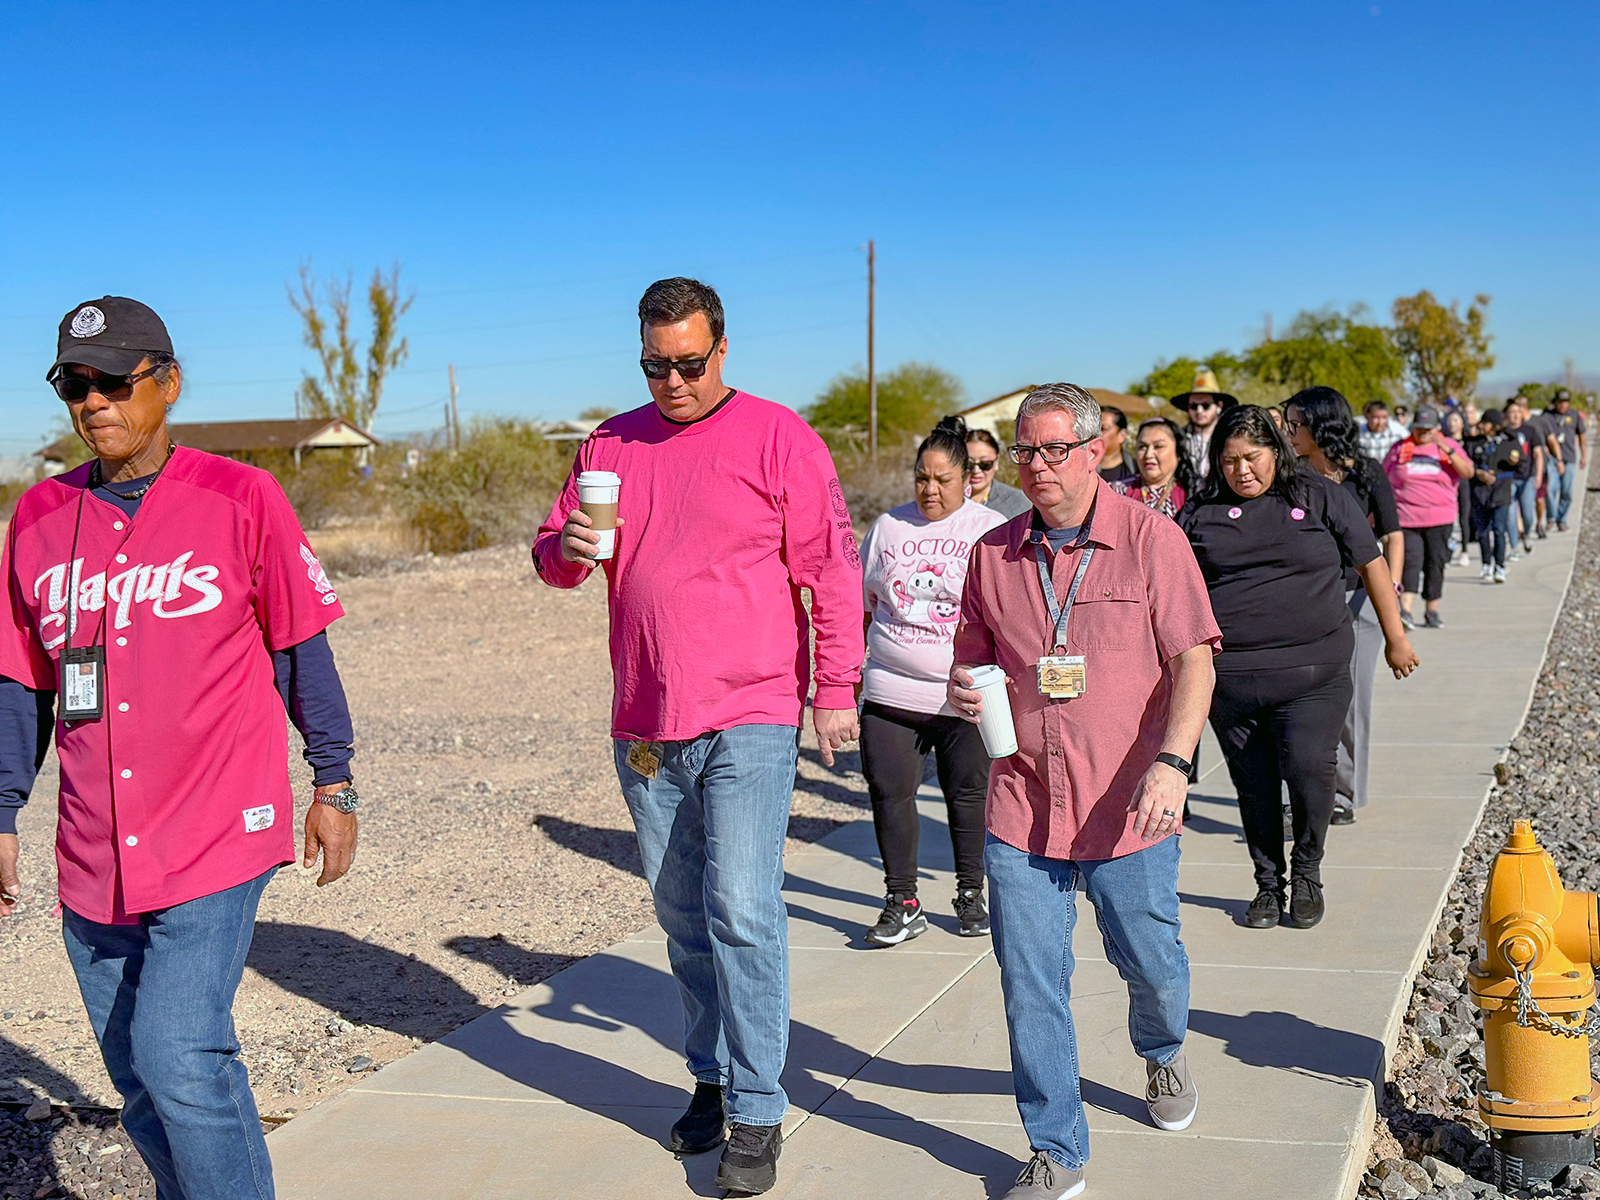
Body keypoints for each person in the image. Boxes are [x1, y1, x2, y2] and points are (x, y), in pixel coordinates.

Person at [0, 297, 359, 1200]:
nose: (93, 403)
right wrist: (1, 811)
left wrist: (335, 779)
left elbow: (298, 648)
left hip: (213, 829)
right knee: (137, 1076)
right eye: (73, 384)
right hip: (93, 851)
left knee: (180, 1052)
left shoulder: (241, 496)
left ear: (167, 384)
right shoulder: (38, 517)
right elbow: (21, 686)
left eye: (113, 381)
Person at [531, 277, 863, 1195]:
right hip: (644, 720)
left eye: (687, 363)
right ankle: (711, 1079)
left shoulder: (778, 436)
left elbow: (830, 570)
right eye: (654, 365)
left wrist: (834, 689)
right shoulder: (611, 442)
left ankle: (760, 1107)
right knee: (682, 917)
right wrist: (567, 550)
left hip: (752, 709)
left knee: (743, 910)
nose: (671, 381)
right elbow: (554, 555)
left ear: (722, 351)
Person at [948, 383, 1221, 1200]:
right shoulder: (991, 553)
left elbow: (1195, 663)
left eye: (1052, 450)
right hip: (1023, 802)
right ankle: (1056, 1145)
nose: (1034, 466)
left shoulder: (1152, 541)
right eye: (1023, 451)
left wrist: (1172, 766)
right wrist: (966, 691)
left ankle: (1163, 1052)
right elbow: (972, 656)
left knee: (1152, 962)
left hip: (1129, 804)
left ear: (1095, 452)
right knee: (1029, 979)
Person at [1181, 406, 1416, 932]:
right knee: (1254, 786)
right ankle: (1268, 883)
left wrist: (1396, 637)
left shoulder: (1321, 495)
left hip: (1316, 670)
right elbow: (1174, 593)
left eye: (1253, 457)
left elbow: (1371, 563)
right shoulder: (1199, 512)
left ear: (1277, 452)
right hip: (1233, 681)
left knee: (1311, 772)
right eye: (1230, 460)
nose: (1242, 470)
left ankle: (1307, 871)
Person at [857, 416, 1006, 945]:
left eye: (943, 479)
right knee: (889, 793)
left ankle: (970, 893)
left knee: (968, 794)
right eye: (922, 477)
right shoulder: (887, 528)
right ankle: (902, 901)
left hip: (962, 693)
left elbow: (1007, 611)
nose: (930, 489)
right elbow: (865, 603)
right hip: (891, 689)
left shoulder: (987, 529)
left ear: (967, 479)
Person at [1283, 387, 1405, 827]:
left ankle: (1344, 794)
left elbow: (1392, 535)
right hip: (1304, 603)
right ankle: (1292, 795)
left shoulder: (1366, 474)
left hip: (1359, 600)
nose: (1289, 432)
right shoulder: (1288, 476)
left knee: (1352, 703)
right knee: (1292, 701)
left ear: (1321, 425)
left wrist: (1393, 595)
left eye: (1296, 424)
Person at [1382, 406, 1473, 629]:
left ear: (1436, 428)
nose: (1422, 434)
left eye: (1427, 429)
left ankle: (1432, 610)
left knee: (1436, 563)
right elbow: (1383, 478)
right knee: (1410, 562)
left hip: (1440, 517)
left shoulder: (1448, 447)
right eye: (1419, 429)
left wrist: (1445, 448)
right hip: (1407, 518)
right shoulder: (1400, 448)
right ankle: (1406, 610)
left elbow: (1468, 472)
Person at [1465, 410, 1516, 583]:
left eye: (1485, 423)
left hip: (1501, 491)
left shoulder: (1509, 442)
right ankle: (1486, 563)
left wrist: (1514, 461)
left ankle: (1500, 566)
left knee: (1499, 529)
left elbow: (1520, 462)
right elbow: (1467, 464)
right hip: (1480, 492)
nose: (1481, 426)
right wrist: (1478, 473)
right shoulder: (1474, 443)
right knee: (1482, 531)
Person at [1111, 416, 1195, 519]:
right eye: (1142, 446)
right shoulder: (1116, 491)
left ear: (1178, 453)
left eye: (1158, 446)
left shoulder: (1193, 493)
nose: (1149, 454)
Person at [1169, 366, 1237, 483]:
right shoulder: (1178, 438)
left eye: (1205, 406)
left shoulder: (1230, 436)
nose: (1199, 411)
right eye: (1194, 406)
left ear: (1219, 407)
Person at [1543, 387, 1588, 532]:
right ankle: (1551, 518)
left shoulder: (1574, 415)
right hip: (1552, 459)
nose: (1563, 405)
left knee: (1567, 491)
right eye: (1560, 402)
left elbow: (1581, 436)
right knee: (1550, 489)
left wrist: (1583, 456)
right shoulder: (1547, 416)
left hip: (1569, 458)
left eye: (1566, 402)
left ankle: (1562, 520)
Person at [1502, 399, 1543, 556]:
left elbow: (1538, 454)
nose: (1515, 416)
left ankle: (1526, 533)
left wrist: (1539, 474)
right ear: (1506, 415)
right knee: (1510, 514)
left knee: (1527, 512)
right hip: (1508, 478)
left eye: (1518, 412)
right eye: (1511, 413)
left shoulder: (1530, 431)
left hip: (1527, 477)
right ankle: (1513, 547)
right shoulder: (1503, 433)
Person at [965, 427, 1032, 519]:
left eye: (985, 464)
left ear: (996, 462)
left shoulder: (1018, 503)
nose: (976, 471)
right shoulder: (944, 500)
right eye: (968, 464)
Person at [1441, 409, 1473, 566]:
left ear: (1462, 423)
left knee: (1464, 516)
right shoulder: (1442, 441)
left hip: (1464, 482)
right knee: (1449, 518)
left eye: (1455, 420)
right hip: (1448, 483)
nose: (1452, 424)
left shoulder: (1469, 441)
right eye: (1449, 420)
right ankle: (1446, 551)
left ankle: (1465, 550)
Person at [1097, 406, 1137, 483]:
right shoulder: (1081, 468)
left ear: (1122, 435)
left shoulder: (1136, 471)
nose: (1097, 434)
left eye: (1103, 429)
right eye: (1094, 428)